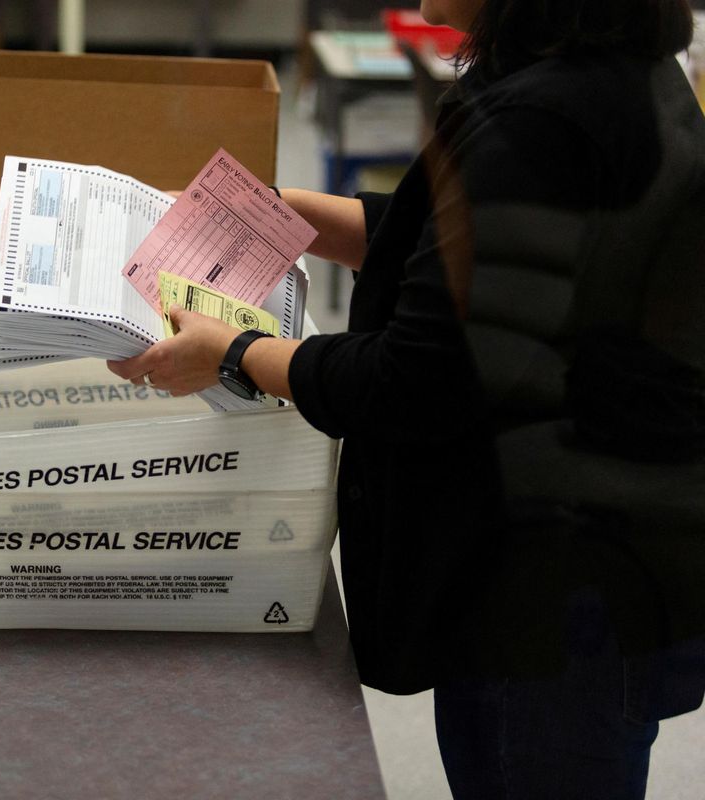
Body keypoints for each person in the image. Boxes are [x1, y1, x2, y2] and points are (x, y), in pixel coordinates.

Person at [107, 1, 705, 797]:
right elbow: (474, 254)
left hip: (549, 608)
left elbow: (415, 379)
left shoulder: (542, 122)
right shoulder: (608, 71)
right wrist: (306, 221)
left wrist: (236, 353)